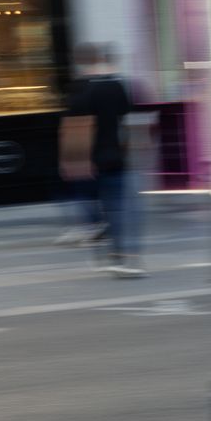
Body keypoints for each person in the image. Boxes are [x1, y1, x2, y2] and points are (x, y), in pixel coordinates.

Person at [62, 42, 143, 277]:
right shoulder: (116, 85)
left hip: (89, 158)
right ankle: (118, 256)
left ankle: (102, 245)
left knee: (89, 202)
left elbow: (75, 127)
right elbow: (127, 121)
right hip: (114, 155)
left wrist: (72, 160)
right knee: (117, 208)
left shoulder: (80, 89)